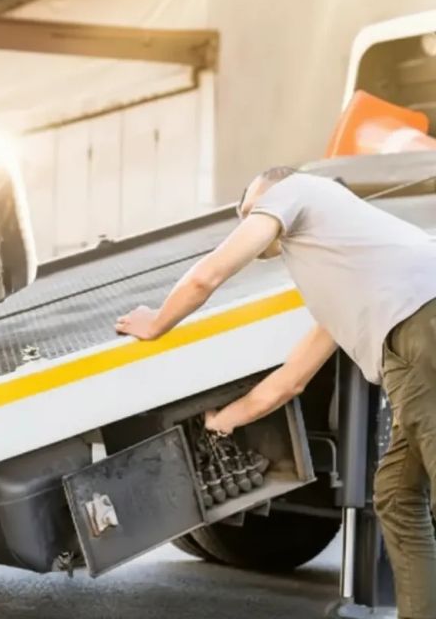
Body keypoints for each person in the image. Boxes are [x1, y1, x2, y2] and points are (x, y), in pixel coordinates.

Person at [115, 166, 436, 618]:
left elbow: (210, 275)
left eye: (250, 210)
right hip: (410, 356)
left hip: (424, 328)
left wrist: (157, 322)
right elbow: (292, 380)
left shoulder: (298, 190)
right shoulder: (347, 277)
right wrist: (224, 421)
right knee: (396, 495)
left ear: (273, 191)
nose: (247, 220)